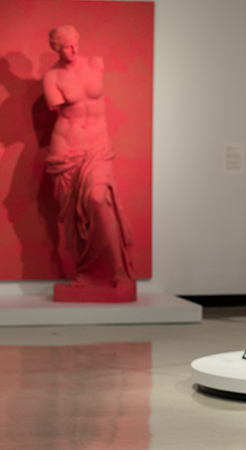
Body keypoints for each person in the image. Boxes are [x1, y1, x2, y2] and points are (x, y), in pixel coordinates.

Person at [42, 25, 136, 301]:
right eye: (66, 47)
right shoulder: (51, 77)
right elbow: (59, 109)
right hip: (66, 151)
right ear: (56, 48)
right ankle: (87, 273)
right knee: (73, 219)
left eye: (75, 44)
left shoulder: (95, 64)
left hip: (97, 147)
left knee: (98, 199)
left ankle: (117, 270)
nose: (72, 50)